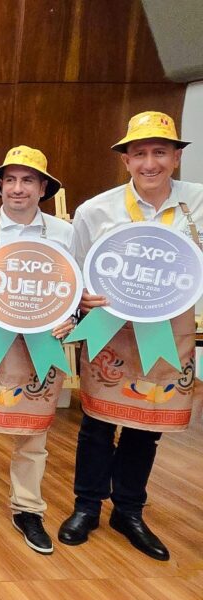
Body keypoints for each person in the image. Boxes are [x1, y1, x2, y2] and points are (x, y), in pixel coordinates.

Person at [58, 112, 203, 561]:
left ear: (176, 158)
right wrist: (82, 299)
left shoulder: (199, 202)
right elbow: (77, 271)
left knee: (148, 425)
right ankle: (86, 507)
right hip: (111, 330)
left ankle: (129, 511)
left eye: (160, 152)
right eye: (139, 153)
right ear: (126, 161)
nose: (150, 163)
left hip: (170, 328)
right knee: (97, 424)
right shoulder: (96, 210)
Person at [0, 146, 75, 555]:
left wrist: (71, 316)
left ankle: (28, 509)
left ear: (43, 188)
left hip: (40, 346)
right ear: (0, 186)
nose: (18, 188)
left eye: (28, 180)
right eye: (10, 180)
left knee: (34, 436)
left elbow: (76, 288)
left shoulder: (64, 234)